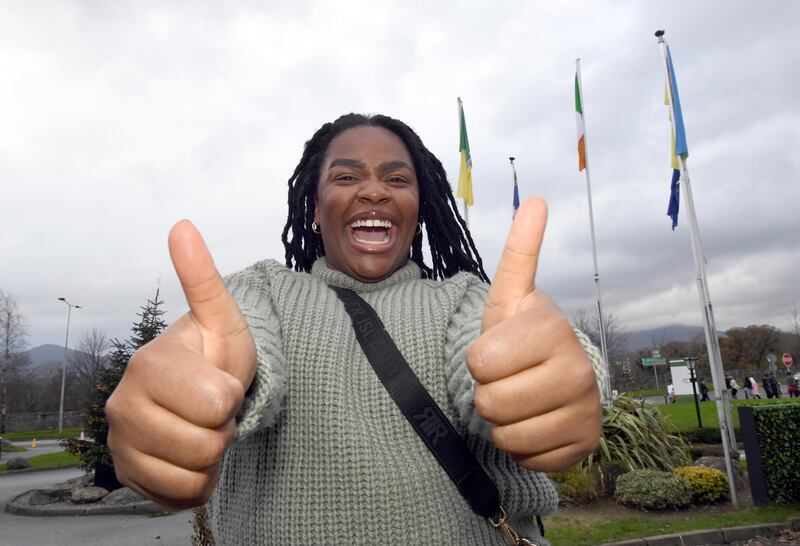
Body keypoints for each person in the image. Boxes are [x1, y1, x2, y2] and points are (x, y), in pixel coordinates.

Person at [105, 113, 603, 545]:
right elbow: (231, 341)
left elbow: (496, 349)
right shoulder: (259, 293)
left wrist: (550, 380)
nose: (373, 190)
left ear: (418, 211)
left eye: (397, 180)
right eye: (346, 178)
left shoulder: (467, 299)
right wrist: (193, 387)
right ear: (316, 210)